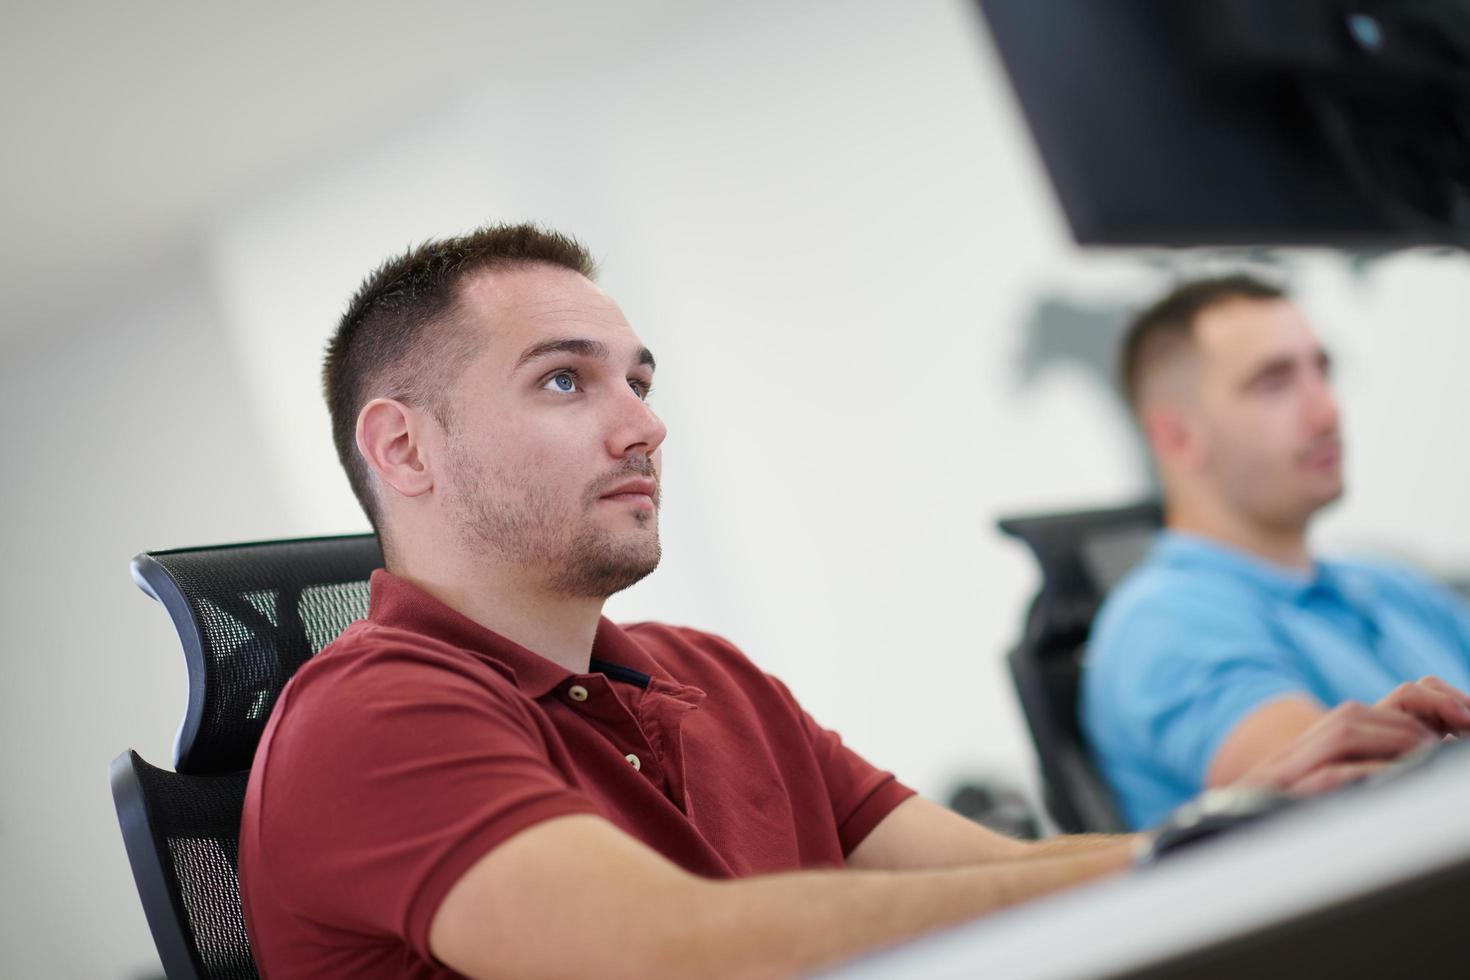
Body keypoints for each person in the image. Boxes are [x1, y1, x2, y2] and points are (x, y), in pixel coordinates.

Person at [239, 231, 1461, 978]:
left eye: (642, 380)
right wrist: (1182, 847)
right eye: (566, 379)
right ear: (403, 447)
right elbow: (686, 955)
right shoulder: (371, 713)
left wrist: (1247, 820)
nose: (645, 422)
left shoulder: (702, 674)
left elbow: (1007, 874)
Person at [1082, 274, 1470, 830]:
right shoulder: (1166, 621)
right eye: (1274, 383)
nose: (1327, 412)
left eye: (1322, 371)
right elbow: (1354, 814)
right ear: (1176, 438)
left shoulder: (1391, 584)